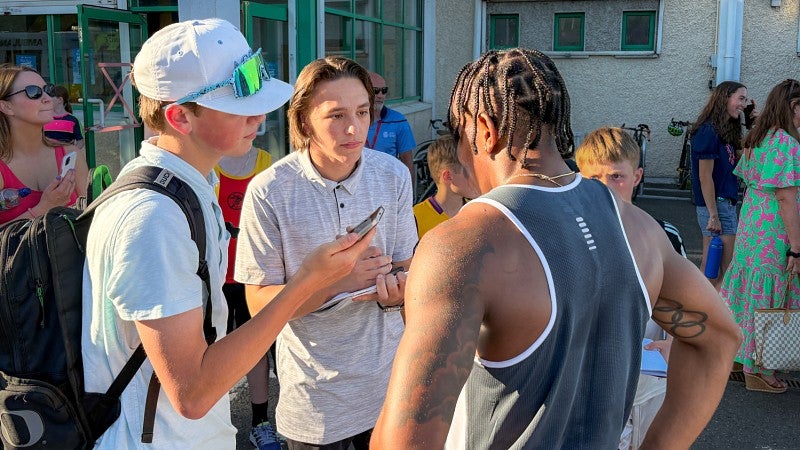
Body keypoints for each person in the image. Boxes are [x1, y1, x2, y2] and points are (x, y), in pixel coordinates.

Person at [371, 48, 741, 449]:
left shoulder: (463, 244)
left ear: (485, 130)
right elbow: (720, 338)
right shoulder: (637, 225)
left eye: (459, 136)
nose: (461, 154)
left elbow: (401, 441)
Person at [81, 18, 377, 449]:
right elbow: (193, 394)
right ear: (180, 117)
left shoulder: (189, 185)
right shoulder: (154, 217)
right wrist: (311, 281)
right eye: (237, 106)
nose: (259, 115)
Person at [236, 56, 416, 449]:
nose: (354, 128)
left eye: (362, 112)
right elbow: (258, 305)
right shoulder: (270, 191)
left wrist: (399, 291)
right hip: (314, 402)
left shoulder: (393, 176)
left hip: (388, 388)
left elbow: (405, 266)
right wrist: (338, 281)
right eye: (336, 115)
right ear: (303, 122)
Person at [575, 126, 685, 449]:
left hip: (648, 379)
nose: (605, 187)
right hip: (589, 380)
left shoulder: (664, 236)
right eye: (594, 178)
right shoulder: (567, 236)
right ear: (578, 178)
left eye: (616, 177)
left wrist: (674, 342)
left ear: (637, 177)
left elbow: (683, 303)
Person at [719, 78, 800, 394]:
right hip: (774, 232)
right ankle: (761, 369)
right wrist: (796, 247)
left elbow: (749, 180)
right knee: (772, 297)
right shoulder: (788, 144)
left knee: (748, 290)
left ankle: (739, 357)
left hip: (752, 226)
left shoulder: (759, 136)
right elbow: (785, 197)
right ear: (792, 107)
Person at [214, 145, 281, 448]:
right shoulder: (209, 164)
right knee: (212, 352)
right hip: (216, 278)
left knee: (256, 349)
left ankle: (260, 422)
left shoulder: (267, 164)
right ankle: (211, 424)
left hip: (253, 279)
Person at [0, 64, 86, 225]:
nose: (48, 98)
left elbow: (92, 218)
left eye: (47, 90)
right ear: (6, 106)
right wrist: (44, 208)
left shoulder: (70, 154)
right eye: (33, 92)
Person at [691, 81, 755, 289]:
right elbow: (704, 177)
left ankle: (704, 306)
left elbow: (747, 158)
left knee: (715, 267)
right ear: (724, 98)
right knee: (721, 269)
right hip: (716, 206)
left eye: (745, 99)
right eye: (741, 98)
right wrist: (713, 215)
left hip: (724, 205)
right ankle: (711, 307)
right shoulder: (708, 131)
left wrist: (751, 124)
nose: (744, 104)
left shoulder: (726, 131)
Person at [412, 134, 477, 238]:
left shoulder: (477, 211)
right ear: (448, 176)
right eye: (469, 170)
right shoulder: (416, 218)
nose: (477, 176)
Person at [366, 72, 416, 179]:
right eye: (375, 91)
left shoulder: (399, 121)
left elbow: (407, 162)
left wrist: (410, 190)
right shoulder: (352, 121)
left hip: (388, 184)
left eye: (384, 91)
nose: (380, 95)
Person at [43, 84, 84, 149]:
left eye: (49, 97)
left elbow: (80, 141)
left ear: (60, 99)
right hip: (46, 155)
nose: (46, 100)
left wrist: (72, 152)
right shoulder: (44, 118)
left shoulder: (73, 120)